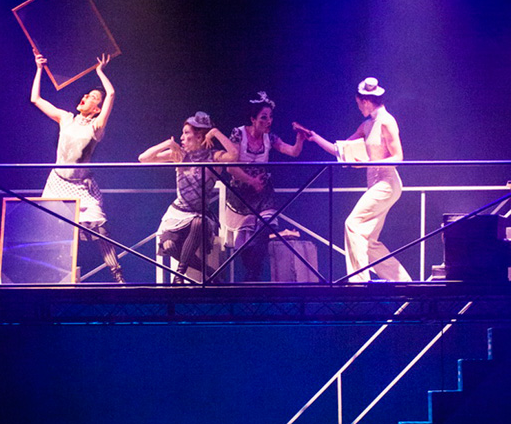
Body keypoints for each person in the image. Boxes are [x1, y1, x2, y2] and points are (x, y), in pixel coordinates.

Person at [30, 49, 125, 283]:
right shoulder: (66, 118)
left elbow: (112, 94)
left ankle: (118, 275)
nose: (86, 97)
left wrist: (100, 71)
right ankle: (56, 278)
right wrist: (39, 69)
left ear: (97, 109)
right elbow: (36, 99)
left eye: (93, 97)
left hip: (81, 186)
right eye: (87, 94)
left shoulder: (96, 127)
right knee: (54, 231)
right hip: (57, 183)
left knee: (101, 228)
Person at [308, 77, 412, 283]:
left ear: (365, 101)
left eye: (358, 103)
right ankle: (403, 282)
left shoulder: (387, 121)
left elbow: (398, 157)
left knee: (353, 224)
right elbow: (341, 150)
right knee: (368, 241)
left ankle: (359, 282)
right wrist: (314, 137)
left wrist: (366, 163)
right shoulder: (367, 125)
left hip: (387, 183)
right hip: (375, 184)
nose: (358, 108)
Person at [138, 112, 237, 284]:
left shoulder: (213, 157)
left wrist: (215, 132)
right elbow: (143, 159)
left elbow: (234, 155)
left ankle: (179, 276)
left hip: (200, 215)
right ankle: (209, 271)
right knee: (169, 246)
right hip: (178, 213)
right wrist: (167, 144)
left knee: (198, 222)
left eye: (186, 133)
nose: (182, 137)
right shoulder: (180, 155)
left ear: (199, 136)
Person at [225, 92, 307, 281]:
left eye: (270, 117)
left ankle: (253, 275)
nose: (268, 121)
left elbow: (292, 152)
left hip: (263, 192)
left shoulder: (270, 137)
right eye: (263, 117)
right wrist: (251, 180)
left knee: (266, 227)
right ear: (253, 119)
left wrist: (300, 139)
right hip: (241, 193)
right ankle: (252, 274)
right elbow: (230, 167)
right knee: (246, 241)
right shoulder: (239, 134)